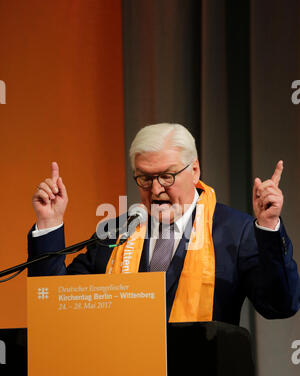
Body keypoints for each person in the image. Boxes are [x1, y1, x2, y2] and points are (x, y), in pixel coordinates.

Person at [28, 123, 300, 325]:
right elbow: (55, 306)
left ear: (194, 171)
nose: (156, 189)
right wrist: (49, 223)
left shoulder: (235, 231)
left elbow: (280, 305)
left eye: (167, 176)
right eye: (144, 178)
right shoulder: (116, 232)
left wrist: (267, 227)